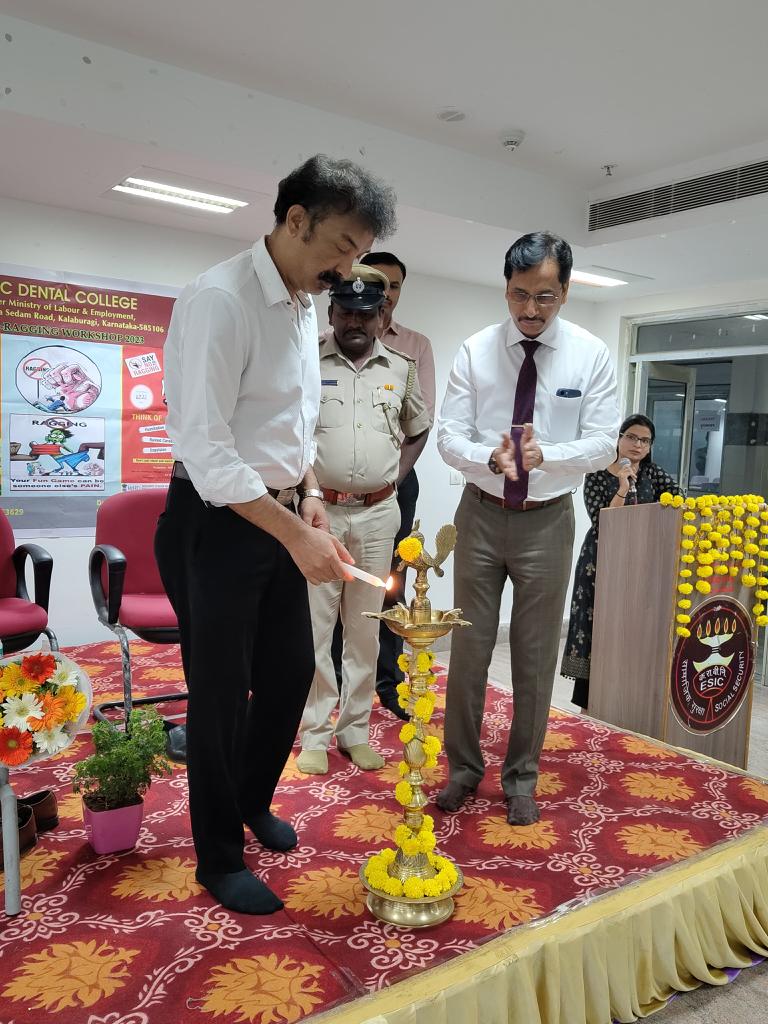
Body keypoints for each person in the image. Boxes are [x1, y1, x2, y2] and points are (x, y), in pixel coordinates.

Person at [154, 155, 397, 915]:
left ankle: (249, 800)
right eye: (343, 246)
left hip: (282, 514)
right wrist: (295, 531)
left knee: (290, 674)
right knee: (220, 695)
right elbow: (208, 450)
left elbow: (289, 427)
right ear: (296, 220)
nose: (348, 269)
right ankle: (217, 856)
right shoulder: (220, 300)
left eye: (359, 252)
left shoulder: (298, 303)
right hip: (216, 523)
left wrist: (312, 497)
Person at [436, 231, 620, 826]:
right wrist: (488, 458)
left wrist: (550, 455)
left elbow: (604, 442)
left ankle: (521, 777)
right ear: (506, 289)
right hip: (481, 512)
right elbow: (449, 435)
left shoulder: (590, 353)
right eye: (519, 294)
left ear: (565, 292)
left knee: (535, 655)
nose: (530, 310)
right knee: (469, 648)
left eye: (545, 296)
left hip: (548, 519)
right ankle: (463, 769)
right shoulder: (477, 350)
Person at [298, 266, 430, 774]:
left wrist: (396, 475)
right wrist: (310, 490)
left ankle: (354, 731)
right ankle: (314, 731)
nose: (355, 321)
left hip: (378, 515)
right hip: (321, 515)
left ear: (381, 316)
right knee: (317, 628)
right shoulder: (307, 361)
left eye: (366, 313)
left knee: (365, 629)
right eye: (346, 312)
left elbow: (418, 426)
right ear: (331, 312)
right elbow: (294, 435)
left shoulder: (401, 367)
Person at [330, 251, 435, 721]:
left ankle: (382, 688)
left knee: (383, 596)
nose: (386, 296)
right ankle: (325, 702)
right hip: (326, 500)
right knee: (325, 604)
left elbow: (420, 421)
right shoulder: (316, 354)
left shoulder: (410, 353)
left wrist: (393, 477)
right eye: (380, 286)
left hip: (388, 492)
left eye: (392, 287)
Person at [561, 414, 683, 709]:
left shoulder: (653, 474)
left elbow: (678, 499)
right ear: (619, 438)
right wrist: (622, 487)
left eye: (645, 440)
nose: (637, 444)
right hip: (601, 560)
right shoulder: (597, 473)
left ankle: (628, 701)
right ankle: (590, 702)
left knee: (634, 626)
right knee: (599, 625)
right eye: (631, 437)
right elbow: (603, 519)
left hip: (640, 562)